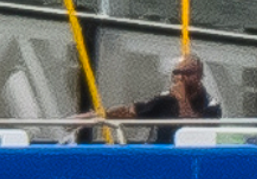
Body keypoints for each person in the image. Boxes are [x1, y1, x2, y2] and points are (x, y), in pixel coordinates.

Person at [77, 50, 224, 133]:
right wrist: (97, 116)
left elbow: (194, 131)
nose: (181, 78)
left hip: (190, 161)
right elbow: (132, 112)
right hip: (163, 157)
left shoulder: (211, 105)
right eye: (178, 72)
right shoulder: (166, 99)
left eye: (188, 72)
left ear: (199, 76)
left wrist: (182, 99)